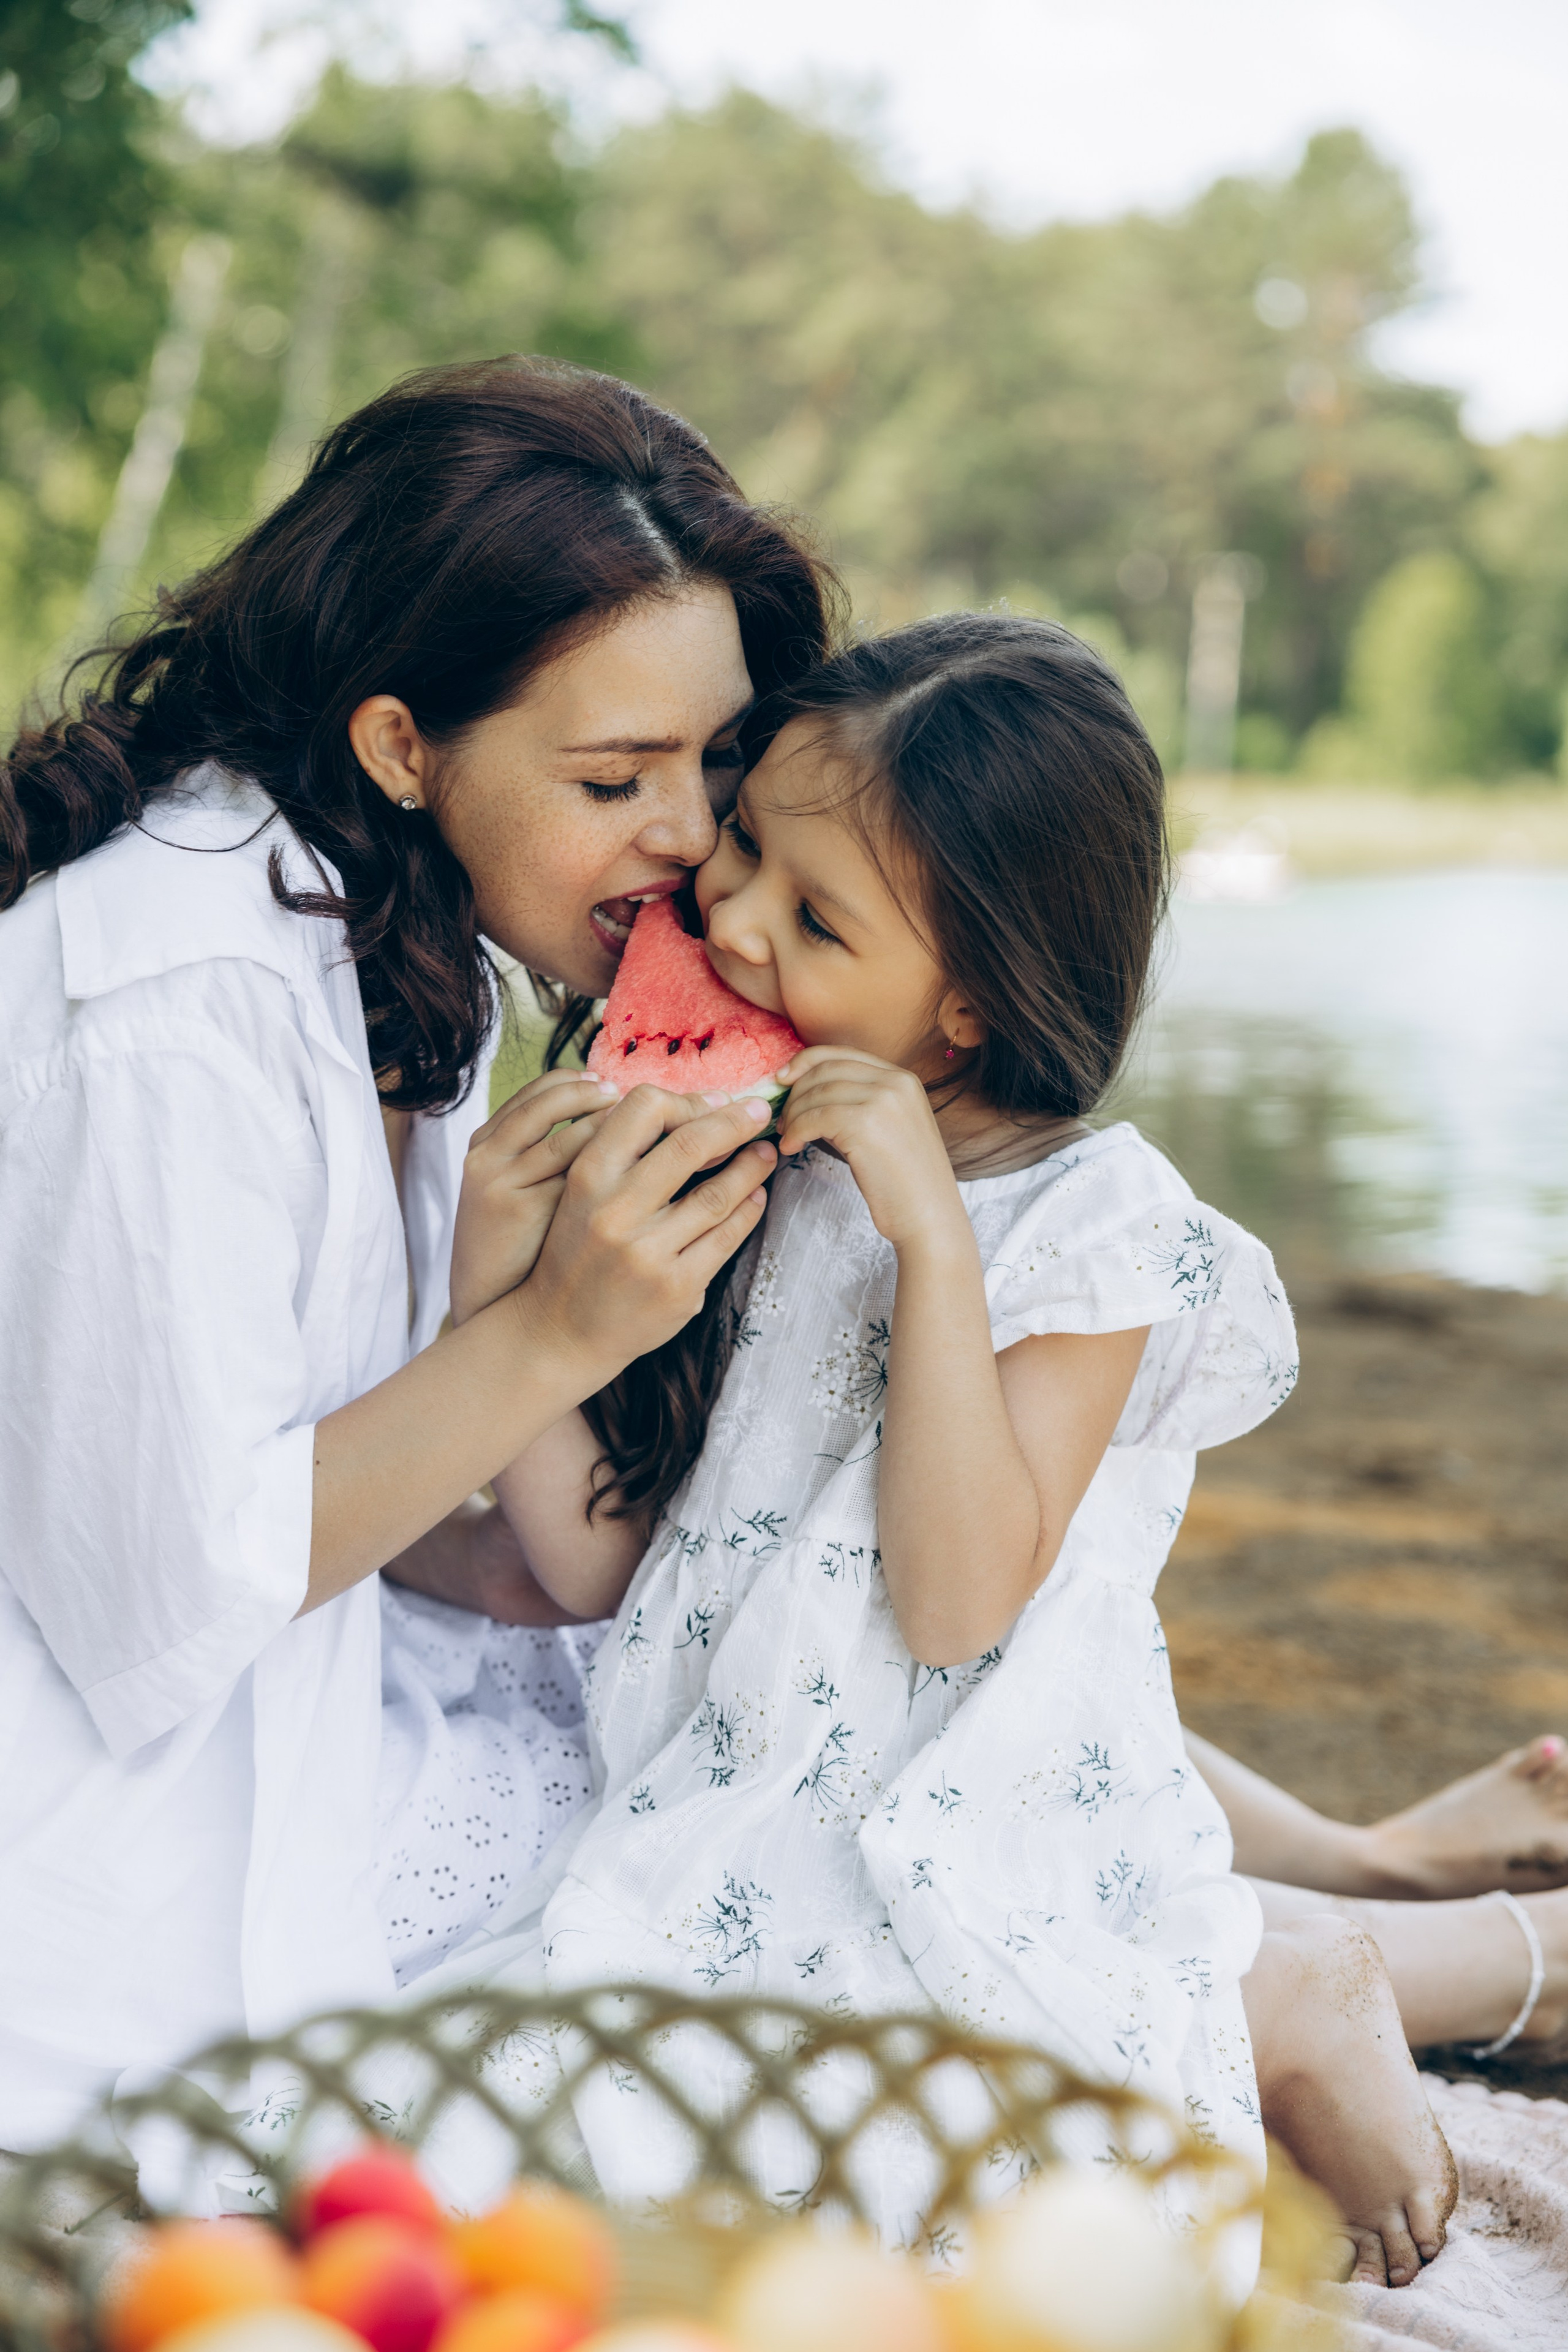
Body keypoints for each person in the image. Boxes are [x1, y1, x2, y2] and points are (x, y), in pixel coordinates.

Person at [405, 613, 1455, 2292]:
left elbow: (958, 1604)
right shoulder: (765, 1155)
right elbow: (607, 1570)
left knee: (883, 2219)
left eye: (815, 918)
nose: (731, 921)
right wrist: (496, 1297)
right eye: (744, 845)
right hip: (714, 1808)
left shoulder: (1101, 1232)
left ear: (965, 1006)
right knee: (520, 2151)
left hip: (964, 1839)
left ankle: (1299, 1989)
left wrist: (933, 1250)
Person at [0, 356, 834, 2151]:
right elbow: (169, 1590)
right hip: (127, 1866)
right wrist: (546, 1339)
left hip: (326, 1710)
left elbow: (301, 1466)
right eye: (615, 775)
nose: (692, 837)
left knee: (818, 1713)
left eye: (713, 761)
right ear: (400, 745)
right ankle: (1361, 1973)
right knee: (794, 1868)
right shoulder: (175, 1011)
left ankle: (1380, 1919)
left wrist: (512, 1551)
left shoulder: (384, 935)